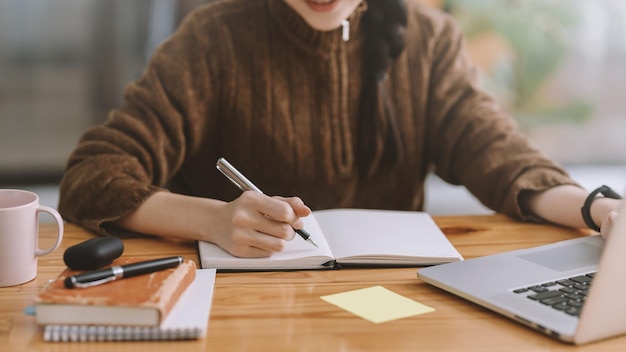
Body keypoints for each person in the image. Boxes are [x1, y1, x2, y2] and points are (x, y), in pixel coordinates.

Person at [58, 0, 621, 258]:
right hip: (244, 309)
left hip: (398, 306)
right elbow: (94, 175)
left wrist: (600, 208)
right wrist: (213, 220)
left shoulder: (428, 40)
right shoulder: (213, 38)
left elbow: (499, 155)